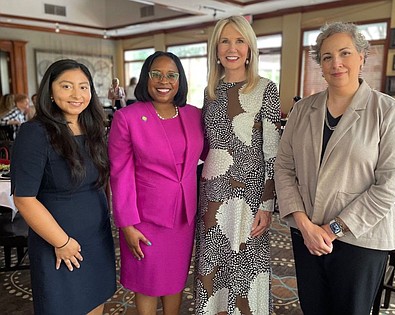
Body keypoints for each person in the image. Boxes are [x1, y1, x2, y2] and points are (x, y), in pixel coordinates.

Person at [274, 21, 395, 315]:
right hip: (306, 234)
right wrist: (304, 224)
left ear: (362, 56)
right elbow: (284, 168)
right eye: (326, 57)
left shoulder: (387, 111)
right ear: (319, 65)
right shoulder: (302, 110)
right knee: (313, 308)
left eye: (345, 53)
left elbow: (390, 184)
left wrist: (333, 229)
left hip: (361, 239)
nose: (336, 63)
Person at [11, 59, 117, 315]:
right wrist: (62, 242)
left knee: (95, 303)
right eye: (67, 86)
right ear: (50, 90)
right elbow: (24, 198)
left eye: (83, 87)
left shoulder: (93, 128)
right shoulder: (35, 133)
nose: (77, 94)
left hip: (97, 239)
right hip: (58, 241)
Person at [194, 16, 282, 314]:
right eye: (225, 41)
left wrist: (267, 205)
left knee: (246, 268)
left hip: (250, 195)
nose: (232, 48)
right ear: (216, 49)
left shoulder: (265, 89)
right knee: (213, 264)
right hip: (212, 194)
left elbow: (272, 153)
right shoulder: (209, 91)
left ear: (250, 48)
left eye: (239, 40)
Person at [108, 51, 204, 315]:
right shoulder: (127, 118)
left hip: (183, 217)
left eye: (172, 75)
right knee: (147, 282)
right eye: (156, 74)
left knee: (175, 279)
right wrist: (126, 224)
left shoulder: (193, 115)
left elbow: (211, 154)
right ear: (146, 78)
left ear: (180, 80)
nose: (164, 80)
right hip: (145, 219)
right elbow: (120, 174)